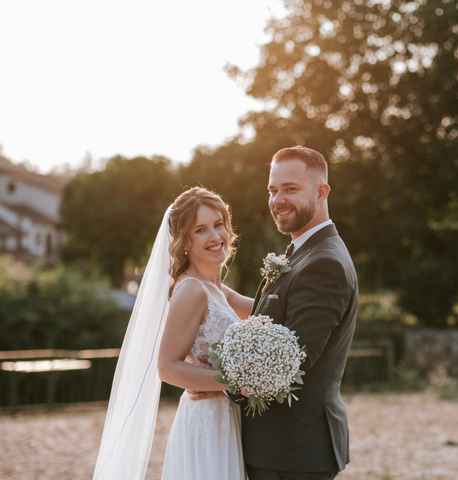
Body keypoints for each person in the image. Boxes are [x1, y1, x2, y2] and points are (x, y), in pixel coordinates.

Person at [92, 187, 253, 480]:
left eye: (218, 225)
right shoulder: (191, 289)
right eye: (201, 230)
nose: (216, 237)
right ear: (185, 242)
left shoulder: (214, 288)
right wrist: (236, 382)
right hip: (208, 420)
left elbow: (262, 313)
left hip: (227, 416)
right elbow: (167, 368)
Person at [241, 146, 359, 480]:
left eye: (290, 189)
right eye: (272, 190)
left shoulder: (325, 263)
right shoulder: (304, 251)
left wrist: (214, 380)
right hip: (283, 448)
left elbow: (291, 359)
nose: (278, 199)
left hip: (292, 452)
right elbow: (273, 312)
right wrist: (211, 291)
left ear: (322, 191)